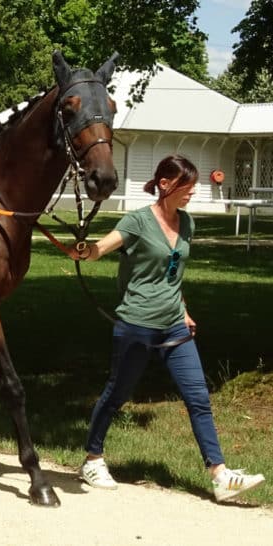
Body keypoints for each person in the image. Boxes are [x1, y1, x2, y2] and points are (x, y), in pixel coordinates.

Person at [66, 154, 265, 502]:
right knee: (117, 395)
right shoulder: (137, 222)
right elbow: (102, 248)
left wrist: (184, 309)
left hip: (174, 324)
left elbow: (173, 275)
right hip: (136, 325)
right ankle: (93, 458)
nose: (193, 192)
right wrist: (86, 250)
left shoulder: (187, 224)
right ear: (165, 185)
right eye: (187, 186)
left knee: (198, 398)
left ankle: (219, 475)